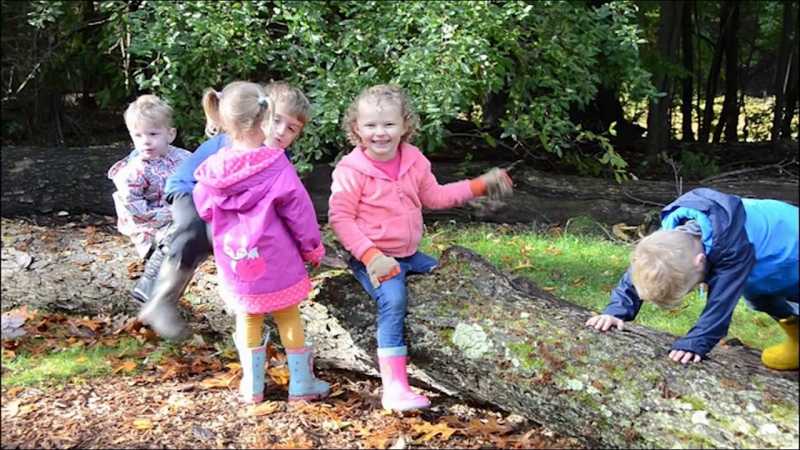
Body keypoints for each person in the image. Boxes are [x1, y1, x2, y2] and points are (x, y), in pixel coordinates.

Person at [328, 84, 514, 411]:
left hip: (410, 254)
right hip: (372, 258)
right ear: (356, 128)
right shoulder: (351, 170)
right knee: (394, 300)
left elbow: (435, 196)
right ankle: (395, 387)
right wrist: (371, 256)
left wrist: (480, 184)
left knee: (453, 278)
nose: (380, 133)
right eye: (370, 125)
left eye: (388, 125)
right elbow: (341, 219)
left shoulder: (414, 160)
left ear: (405, 126)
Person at [136, 82, 311, 341]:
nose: (281, 131)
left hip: (213, 199)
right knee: (201, 231)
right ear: (260, 116)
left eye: (292, 128)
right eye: (276, 121)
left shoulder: (270, 156)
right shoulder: (234, 144)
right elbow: (212, 194)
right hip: (189, 189)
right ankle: (161, 298)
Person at [192, 80, 329, 403]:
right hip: (278, 259)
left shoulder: (214, 169)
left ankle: (253, 386)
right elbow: (299, 211)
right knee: (288, 315)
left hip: (235, 259)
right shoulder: (274, 164)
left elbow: (204, 207)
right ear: (264, 119)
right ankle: (300, 384)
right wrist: (312, 247)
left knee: (248, 317)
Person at [586, 188, 799, 370]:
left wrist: (695, 343)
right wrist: (616, 311)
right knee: (760, 298)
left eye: (694, 284)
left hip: (791, 253)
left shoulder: (730, 247)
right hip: (764, 259)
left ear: (699, 261)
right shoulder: (671, 238)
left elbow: (721, 303)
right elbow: (644, 264)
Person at [107, 94, 190, 301]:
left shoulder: (183, 158)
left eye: (153, 134)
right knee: (177, 239)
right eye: (138, 136)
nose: (146, 142)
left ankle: (168, 292)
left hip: (182, 213)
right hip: (149, 224)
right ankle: (150, 285)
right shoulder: (132, 172)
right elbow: (137, 213)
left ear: (170, 135)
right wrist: (174, 214)